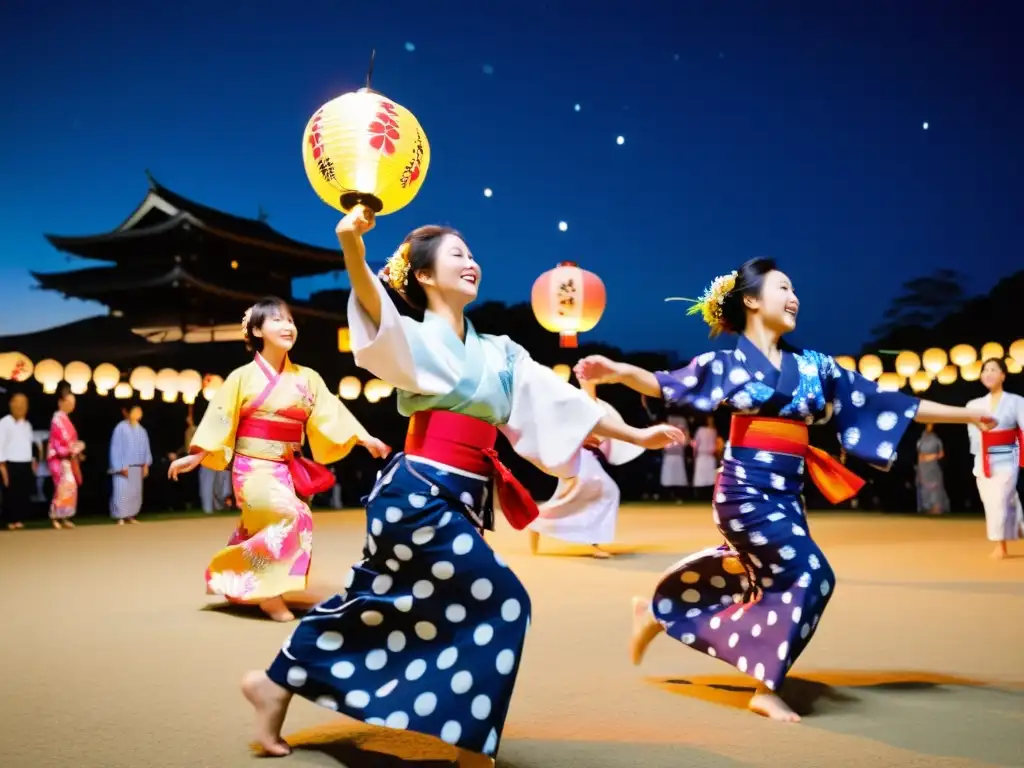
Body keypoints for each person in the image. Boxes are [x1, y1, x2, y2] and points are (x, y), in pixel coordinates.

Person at [241, 207, 683, 760]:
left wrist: (637, 436)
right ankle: (471, 744)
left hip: (457, 496)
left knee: (378, 603)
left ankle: (274, 682)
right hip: (419, 494)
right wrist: (351, 244)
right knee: (503, 600)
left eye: (472, 255)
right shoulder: (411, 334)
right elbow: (372, 304)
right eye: (457, 255)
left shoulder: (501, 351)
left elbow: (563, 403)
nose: (471, 263)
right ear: (423, 275)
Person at [575, 257, 996, 723]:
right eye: (783, 287)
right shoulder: (725, 363)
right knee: (811, 573)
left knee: (761, 575)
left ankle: (656, 614)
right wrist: (616, 369)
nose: (794, 296)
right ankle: (765, 686)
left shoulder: (815, 367)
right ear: (751, 300)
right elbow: (664, 384)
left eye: (795, 288)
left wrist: (968, 415)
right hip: (744, 490)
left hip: (787, 494)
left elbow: (885, 401)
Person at [169, 297, 389, 622]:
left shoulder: (307, 378)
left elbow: (331, 413)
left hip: (288, 469)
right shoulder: (241, 377)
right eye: (277, 320)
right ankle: (270, 597)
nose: (288, 326)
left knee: (272, 527)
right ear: (257, 329)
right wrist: (199, 453)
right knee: (293, 515)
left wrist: (363, 438)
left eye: (290, 320)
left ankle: (241, 579)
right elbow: (221, 418)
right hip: (252, 468)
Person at [527, 378, 645, 558]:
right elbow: (588, 403)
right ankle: (539, 521)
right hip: (581, 459)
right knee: (600, 493)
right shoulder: (576, 407)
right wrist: (588, 380)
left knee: (590, 496)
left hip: (584, 459)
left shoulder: (576, 407)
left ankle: (538, 521)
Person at [966, 358, 1024, 559]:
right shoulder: (974, 405)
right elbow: (973, 437)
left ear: (1003, 375)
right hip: (983, 458)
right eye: (985, 370)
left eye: (993, 369)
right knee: (992, 501)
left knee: (999, 499)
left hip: (1008, 455)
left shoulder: (1017, 401)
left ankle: (1001, 546)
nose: (988, 373)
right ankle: (1015, 526)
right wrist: (979, 461)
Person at [47, 383, 84, 529]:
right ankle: (55, 516)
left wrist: (76, 450)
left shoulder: (66, 419)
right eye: (68, 403)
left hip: (68, 457)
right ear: (61, 402)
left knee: (70, 486)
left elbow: (71, 439)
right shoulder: (57, 419)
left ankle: (65, 516)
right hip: (59, 457)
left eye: (73, 404)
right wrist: (71, 449)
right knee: (63, 486)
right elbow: (59, 440)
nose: (71, 406)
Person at [109, 403, 153, 525]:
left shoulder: (142, 430)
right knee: (121, 492)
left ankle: (131, 515)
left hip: (137, 466)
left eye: (139, 411)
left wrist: (146, 465)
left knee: (134, 492)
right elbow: (115, 448)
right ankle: (120, 516)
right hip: (124, 467)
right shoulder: (120, 428)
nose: (138, 413)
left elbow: (146, 449)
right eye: (135, 411)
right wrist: (120, 467)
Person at [0, 392, 37, 530]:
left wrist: (33, 460)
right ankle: (9, 520)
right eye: (18, 402)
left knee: (23, 492)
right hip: (9, 463)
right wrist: (2, 466)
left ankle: (19, 519)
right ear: (11, 404)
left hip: (25, 462)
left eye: (24, 403)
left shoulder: (27, 424)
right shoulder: (4, 422)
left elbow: (29, 443)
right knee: (10, 492)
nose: (21, 406)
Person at [915, 424, 949, 516]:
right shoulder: (920, 441)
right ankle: (926, 507)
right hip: (923, 467)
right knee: (925, 487)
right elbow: (919, 455)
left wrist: (933, 457)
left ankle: (937, 508)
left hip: (934, 466)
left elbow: (941, 454)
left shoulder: (937, 440)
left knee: (935, 487)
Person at [659, 413, 690, 501]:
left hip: (678, 454)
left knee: (678, 477)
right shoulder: (666, 424)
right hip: (669, 454)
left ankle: (678, 495)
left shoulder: (682, 423)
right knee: (668, 477)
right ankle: (667, 496)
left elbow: (686, 439)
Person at [692, 415, 720, 499]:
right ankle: (698, 495)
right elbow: (696, 442)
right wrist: (694, 453)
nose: (710, 422)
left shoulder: (714, 431)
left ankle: (710, 495)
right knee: (699, 476)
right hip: (701, 455)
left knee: (711, 477)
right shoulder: (700, 430)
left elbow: (717, 443)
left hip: (710, 456)